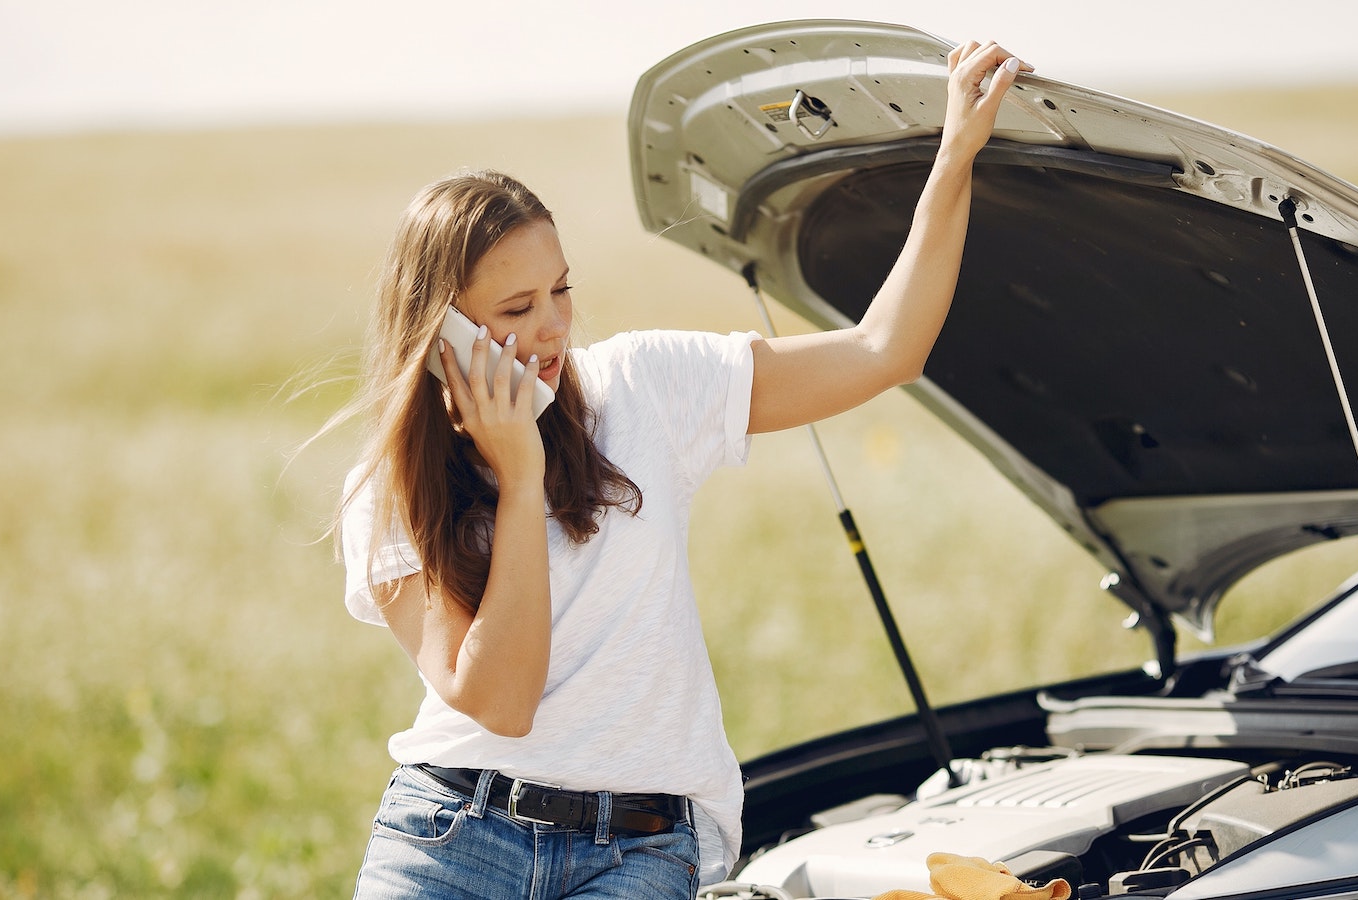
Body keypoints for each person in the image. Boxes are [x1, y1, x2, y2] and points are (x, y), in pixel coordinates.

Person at [338, 40, 1028, 900]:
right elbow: (502, 702)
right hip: (452, 833)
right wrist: (521, 478)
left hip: (638, 849)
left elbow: (884, 349)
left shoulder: (644, 387)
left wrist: (954, 155)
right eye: (516, 308)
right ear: (444, 336)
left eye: (561, 289)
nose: (555, 326)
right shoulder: (387, 490)